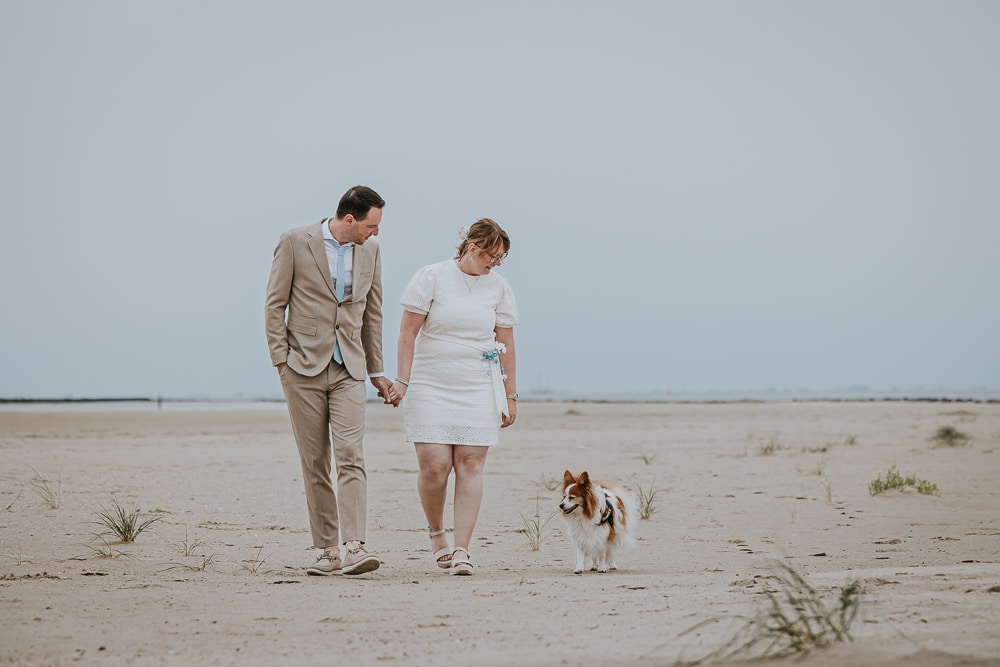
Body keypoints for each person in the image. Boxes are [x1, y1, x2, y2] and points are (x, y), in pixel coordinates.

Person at [264, 185, 397, 576]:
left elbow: (373, 312)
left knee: (351, 454)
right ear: (350, 219)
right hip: (301, 367)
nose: (376, 233)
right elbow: (275, 304)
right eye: (372, 225)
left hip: (350, 368)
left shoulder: (371, 250)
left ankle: (354, 546)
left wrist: (376, 371)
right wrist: (280, 361)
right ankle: (327, 550)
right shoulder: (293, 242)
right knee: (315, 461)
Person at [391, 218, 518, 575]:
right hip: (431, 381)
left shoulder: (500, 288)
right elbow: (407, 331)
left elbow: (506, 343)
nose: (495, 264)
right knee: (435, 467)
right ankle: (437, 535)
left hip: (478, 383)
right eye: (491, 256)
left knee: (471, 464)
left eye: (501, 258)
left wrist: (511, 395)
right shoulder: (431, 276)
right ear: (472, 248)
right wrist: (403, 380)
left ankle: (462, 549)